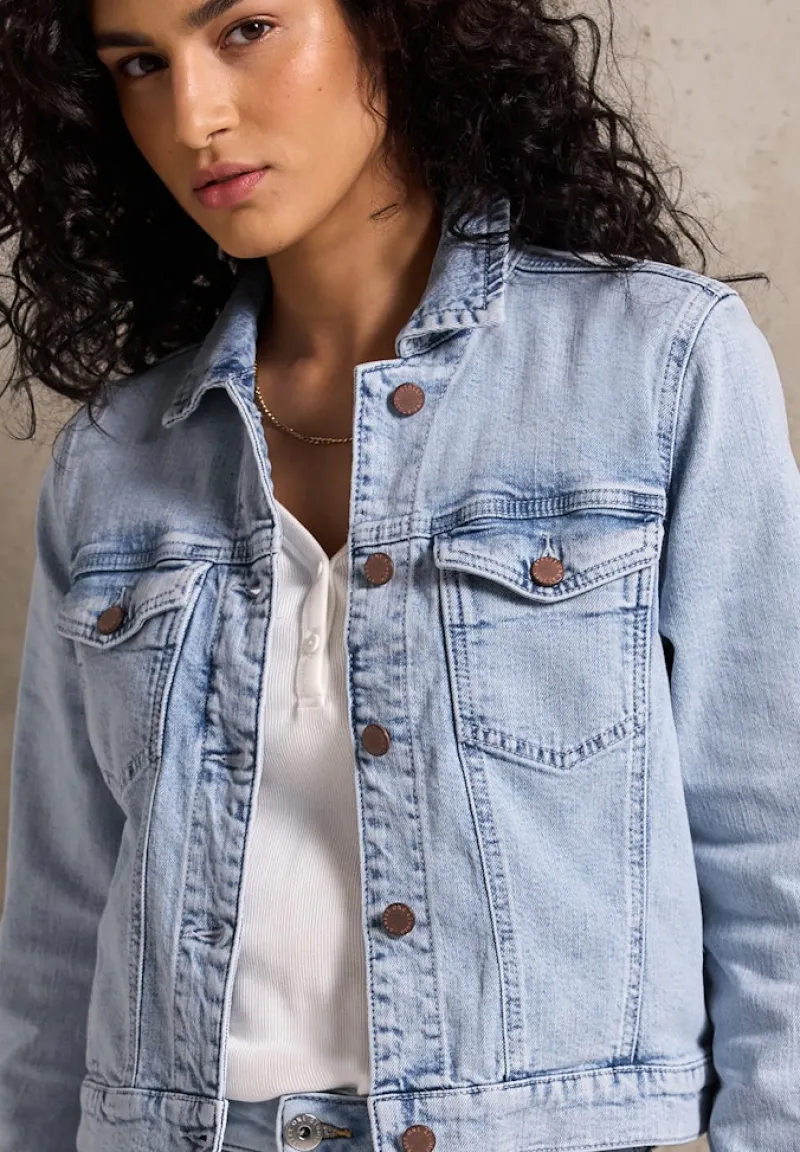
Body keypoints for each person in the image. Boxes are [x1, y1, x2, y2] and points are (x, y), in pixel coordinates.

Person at [0, 0, 797, 1146]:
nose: (192, 115)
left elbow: (773, 856)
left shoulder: (654, 367)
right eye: (138, 64)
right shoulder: (117, 460)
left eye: (244, 28)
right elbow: (59, 927)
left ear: (390, 24)